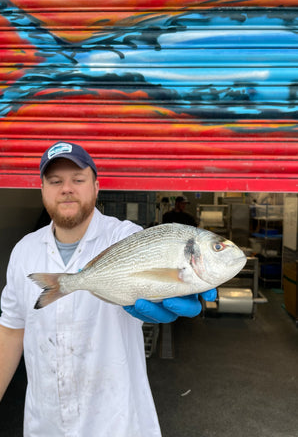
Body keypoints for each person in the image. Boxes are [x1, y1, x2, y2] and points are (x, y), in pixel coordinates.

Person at [0, 141, 216, 437]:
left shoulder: (125, 237)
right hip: (45, 424)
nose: (67, 188)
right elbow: (11, 330)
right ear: (42, 189)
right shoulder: (23, 252)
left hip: (117, 423)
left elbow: (158, 259)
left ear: (96, 186)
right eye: (55, 181)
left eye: (78, 179)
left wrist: (180, 284)